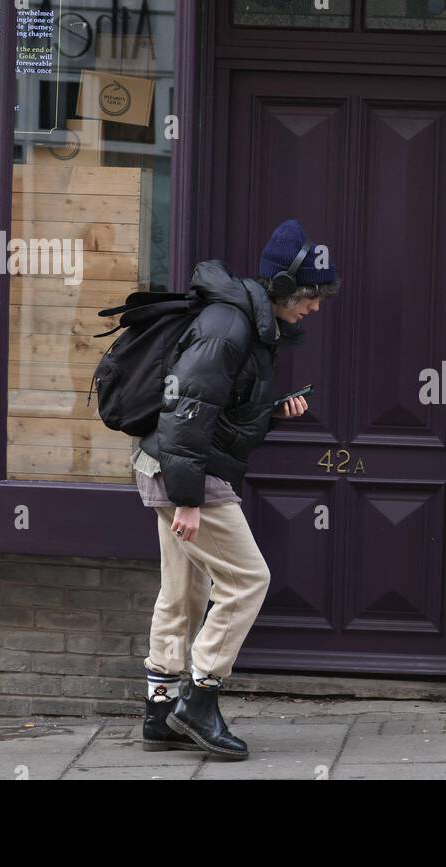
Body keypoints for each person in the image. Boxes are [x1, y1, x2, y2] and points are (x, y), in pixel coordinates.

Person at [135, 219, 337, 759]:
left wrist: (270, 413)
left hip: (172, 464)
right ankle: (199, 700)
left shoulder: (247, 323)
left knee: (184, 590)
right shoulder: (230, 326)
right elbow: (186, 412)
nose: (314, 308)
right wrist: (190, 499)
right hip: (185, 470)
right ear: (281, 287)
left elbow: (217, 411)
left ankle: (160, 709)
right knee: (249, 579)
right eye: (310, 296)